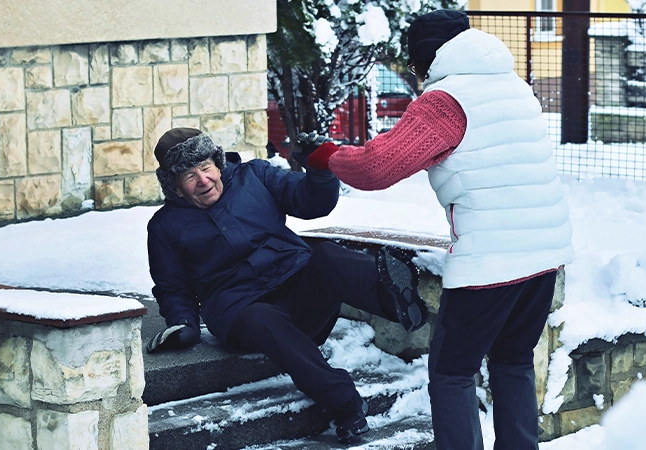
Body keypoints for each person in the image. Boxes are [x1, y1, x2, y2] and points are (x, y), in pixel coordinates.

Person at [294, 9, 574, 450]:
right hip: (545, 253)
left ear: (427, 59)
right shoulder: (513, 86)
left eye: (414, 66)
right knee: (513, 360)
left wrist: (328, 154)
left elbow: (376, 167)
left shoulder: (446, 100)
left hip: (491, 261)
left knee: (451, 372)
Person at [144, 127, 430, 443]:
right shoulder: (164, 227)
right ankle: (345, 404)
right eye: (188, 175)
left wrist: (319, 170)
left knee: (325, 256)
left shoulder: (255, 175)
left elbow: (310, 203)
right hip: (241, 312)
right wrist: (184, 324)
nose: (203, 180)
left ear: (218, 162)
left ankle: (397, 302)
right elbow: (173, 288)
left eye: (206, 167)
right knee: (264, 319)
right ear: (174, 185)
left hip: (298, 292)